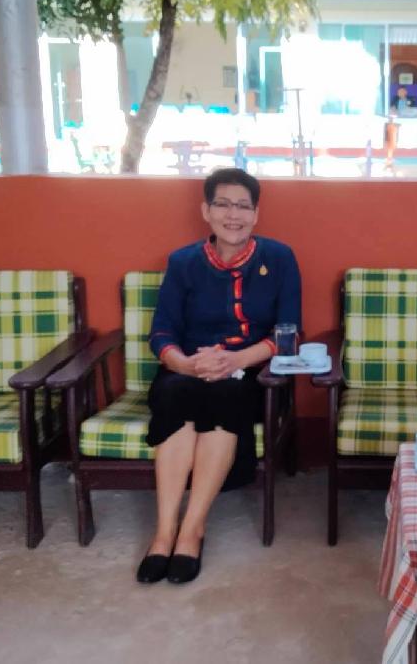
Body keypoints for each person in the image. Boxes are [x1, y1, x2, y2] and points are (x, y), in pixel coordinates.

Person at [136, 168, 301, 584]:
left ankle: (192, 530)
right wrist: (186, 364)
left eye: (243, 206)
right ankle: (163, 533)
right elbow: (161, 332)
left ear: (256, 214)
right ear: (205, 210)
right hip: (186, 369)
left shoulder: (280, 258)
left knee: (225, 397)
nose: (233, 215)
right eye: (223, 204)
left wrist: (236, 360)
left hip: (249, 375)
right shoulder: (183, 262)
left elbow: (289, 333)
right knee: (176, 396)